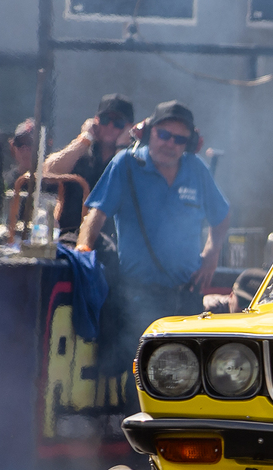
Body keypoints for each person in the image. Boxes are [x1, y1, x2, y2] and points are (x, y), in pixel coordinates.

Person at [76, 100, 229, 378]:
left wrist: (212, 254)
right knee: (144, 379)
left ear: (188, 144)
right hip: (139, 296)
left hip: (186, 296)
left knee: (188, 378)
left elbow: (221, 216)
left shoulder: (196, 169)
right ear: (149, 133)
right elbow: (95, 215)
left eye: (179, 139)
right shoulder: (126, 164)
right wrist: (83, 249)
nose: (170, 143)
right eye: (164, 134)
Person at [46, 93, 134, 234]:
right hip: (69, 235)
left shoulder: (133, 160)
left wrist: (122, 148)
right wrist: (85, 138)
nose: (110, 126)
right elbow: (49, 172)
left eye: (118, 122)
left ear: (128, 128)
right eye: (105, 120)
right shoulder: (80, 153)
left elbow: (124, 189)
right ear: (95, 122)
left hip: (111, 239)